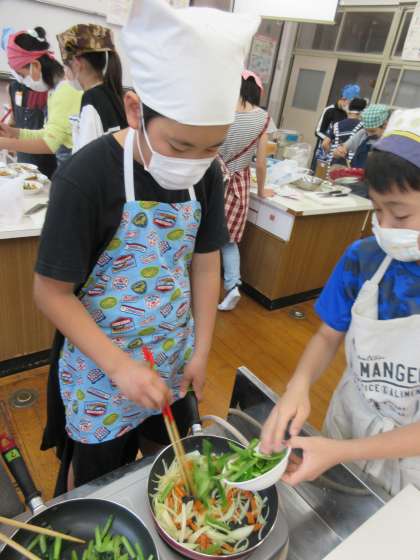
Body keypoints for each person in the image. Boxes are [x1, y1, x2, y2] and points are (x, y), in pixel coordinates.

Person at [33, 0, 259, 493]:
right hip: (100, 369)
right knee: (98, 484)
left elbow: (205, 265)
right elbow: (51, 292)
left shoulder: (207, 175)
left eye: (211, 147)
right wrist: (119, 366)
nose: (195, 161)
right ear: (135, 109)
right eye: (180, 146)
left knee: (171, 471)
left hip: (173, 359)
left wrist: (202, 351)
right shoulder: (86, 178)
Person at [261, 107, 420, 496]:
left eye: (400, 215)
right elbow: (327, 335)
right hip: (350, 420)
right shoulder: (363, 258)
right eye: (377, 211)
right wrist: (298, 385)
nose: (385, 227)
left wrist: (344, 452)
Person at [217, 70, 273, 312]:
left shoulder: (220, 111)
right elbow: (261, 162)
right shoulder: (263, 118)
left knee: (199, 237)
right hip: (238, 183)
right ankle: (232, 287)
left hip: (211, 178)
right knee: (228, 241)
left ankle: (192, 289)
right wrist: (261, 190)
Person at [0, 28, 82, 165]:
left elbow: (50, 145)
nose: (23, 82)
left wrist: (5, 143)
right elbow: (48, 134)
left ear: (36, 65)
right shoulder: (54, 90)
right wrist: (13, 132)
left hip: (76, 164)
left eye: (22, 75)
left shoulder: (66, 89)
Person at [57, 24, 127, 153]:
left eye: (66, 65)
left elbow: (85, 158)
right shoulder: (111, 92)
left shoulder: (91, 101)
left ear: (77, 64)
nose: (65, 71)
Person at [334, 104, 390, 169]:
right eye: (366, 130)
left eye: (372, 131)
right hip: (355, 174)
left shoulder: (389, 142)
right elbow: (343, 147)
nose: (369, 135)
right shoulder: (362, 133)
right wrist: (338, 151)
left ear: (385, 125)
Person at [322, 97, 367, 165]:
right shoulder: (363, 127)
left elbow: (325, 144)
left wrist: (332, 153)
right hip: (350, 166)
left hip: (334, 164)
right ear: (362, 112)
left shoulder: (337, 125)